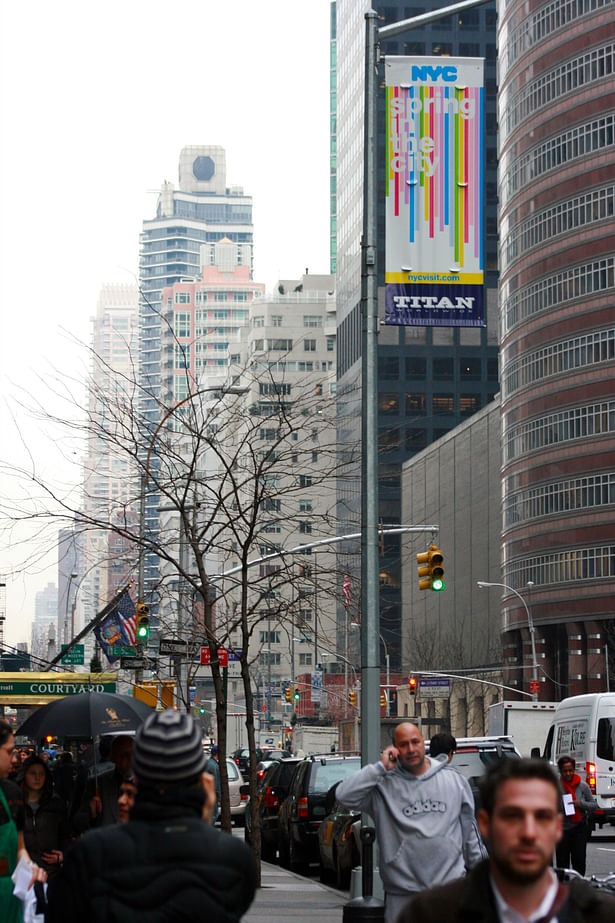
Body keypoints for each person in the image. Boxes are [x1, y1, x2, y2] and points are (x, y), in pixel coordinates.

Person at [46, 709, 257, 922]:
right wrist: (199, 822)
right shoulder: (233, 859)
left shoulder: (91, 854)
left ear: (138, 772)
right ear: (200, 778)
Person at [396, 757, 615, 922]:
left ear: (557, 827)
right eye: (513, 816)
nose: (528, 833)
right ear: (484, 823)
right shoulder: (430, 914)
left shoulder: (602, 915)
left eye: (542, 817)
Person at [336, 721, 485, 923]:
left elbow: (470, 834)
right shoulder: (383, 786)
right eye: (404, 744)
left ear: (423, 744)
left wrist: (482, 876)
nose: (411, 749)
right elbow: (344, 795)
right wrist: (380, 768)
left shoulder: (454, 781)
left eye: (415, 742)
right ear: (395, 750)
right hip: (402, 895)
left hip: (449, 892)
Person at [0, 720, 46, 923]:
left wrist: (30, 867)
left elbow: (20, 847)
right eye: (9, 752)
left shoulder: (12, 794)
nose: (14, 759)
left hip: (9, 902)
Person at [20, 755, 70, 883]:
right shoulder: (16, 804)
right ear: (24, 775)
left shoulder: (56, 804)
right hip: (24, 872)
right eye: (33, 773)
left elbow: (66, 836)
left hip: (51, 874)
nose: (37, 778)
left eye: (41, 774)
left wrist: (62, 856)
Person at [73, 734, 133, 830]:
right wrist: (91, 812)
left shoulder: (148, 786)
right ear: (112, 757)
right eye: (121, 755)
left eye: (130, 754)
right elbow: (78, 821)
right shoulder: (97, 783)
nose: (126, 759)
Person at [555, 755, 596, 876]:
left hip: (579, 828)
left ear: (574, 770)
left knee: (579, 861)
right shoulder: (556, 787)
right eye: (565, 771)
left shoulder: (583, 786)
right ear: (561, 771)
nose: (568, 774)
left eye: (570, 770)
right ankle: (563, 888)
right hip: (562, 830)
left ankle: (579, 886)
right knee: (562, 863)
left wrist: (580, 804)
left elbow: (594, 805)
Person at [205, 744, 221, 823]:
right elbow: (216, 783)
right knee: (214, 815)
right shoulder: (214, 766)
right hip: (213, 794)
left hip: (206, 793)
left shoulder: (208, 763)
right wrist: (219, 796)